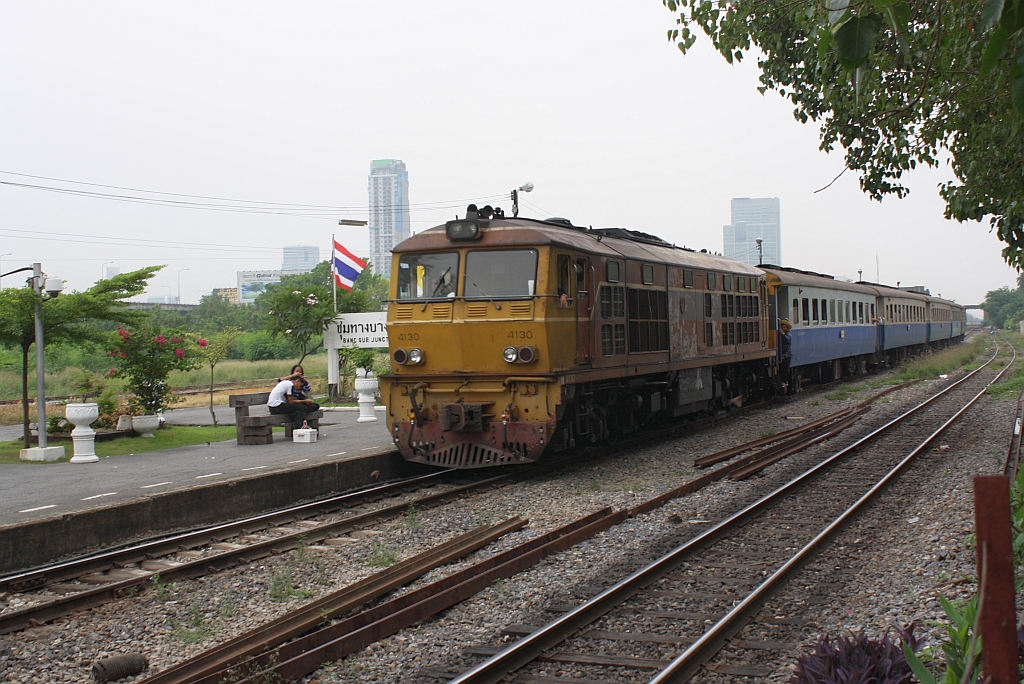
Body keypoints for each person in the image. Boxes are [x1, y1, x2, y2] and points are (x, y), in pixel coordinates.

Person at [777, 319, 793, 393]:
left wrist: (782, 334)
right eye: (782, 327)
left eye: (784, 327)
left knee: (785, 369)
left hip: (787, 355)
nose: (783, 328)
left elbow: (787, 340)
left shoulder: (788, 335)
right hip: (781, 354)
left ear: (787, 328)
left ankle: (784, 381)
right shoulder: (779, 334)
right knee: (781, 369)